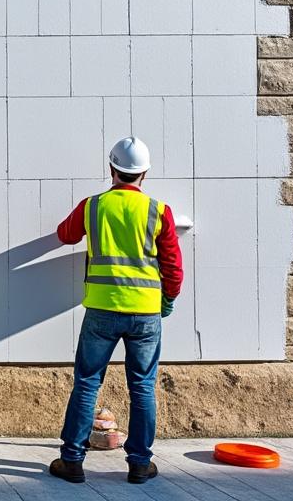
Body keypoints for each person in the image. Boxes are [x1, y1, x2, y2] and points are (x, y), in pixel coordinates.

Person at [48, 137, 183, 486]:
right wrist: (167, 300)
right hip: (145, 314)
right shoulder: (158, 210)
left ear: (112, 169)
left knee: (87, 384)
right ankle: (139, 463)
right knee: (142, 387)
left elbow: (65, 234)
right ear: (145, 173)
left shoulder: (93, 206)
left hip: (102, 311)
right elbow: (173, 267)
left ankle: (72, 461)